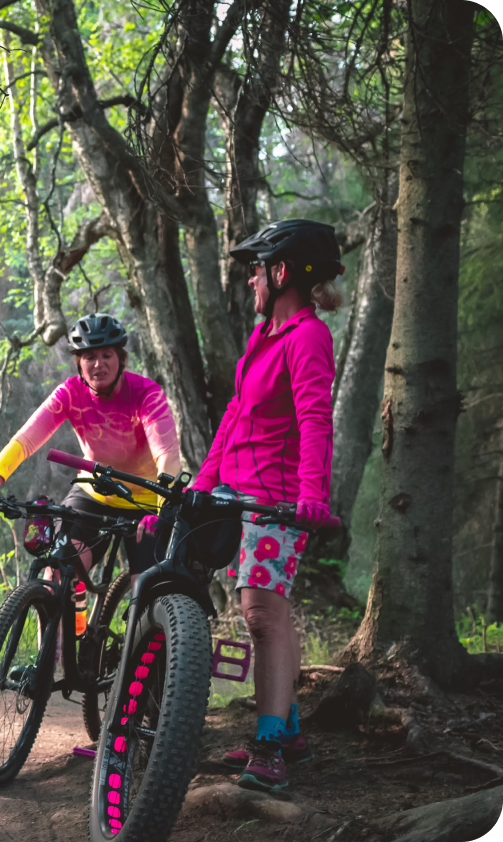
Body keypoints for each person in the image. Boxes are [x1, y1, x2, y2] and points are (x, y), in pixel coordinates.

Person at [195, 219, 343, 792]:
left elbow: (314, 419)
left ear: (281, 273)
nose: (250, 280)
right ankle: (290, 733)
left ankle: (270, 750)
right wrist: (205, 483)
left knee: (260, 614)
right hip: (237, 493)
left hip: (278, 500)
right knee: (263, 615)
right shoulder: (265, 338)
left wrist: (312, 496)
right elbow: (236, 418)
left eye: (256, 270)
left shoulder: (309, 337)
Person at [0, 314, 182, 590]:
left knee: (148, 588)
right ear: (78, 362)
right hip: (93, 493)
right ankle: (67, 631)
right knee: (58, 575)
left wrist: (164, 506)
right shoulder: (69, 394)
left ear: (121, 360)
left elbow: (166, 453)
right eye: (89, 356)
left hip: (146, 502)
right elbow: (25, 440)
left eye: (107, 355)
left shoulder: (146, 395)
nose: (98, 364)